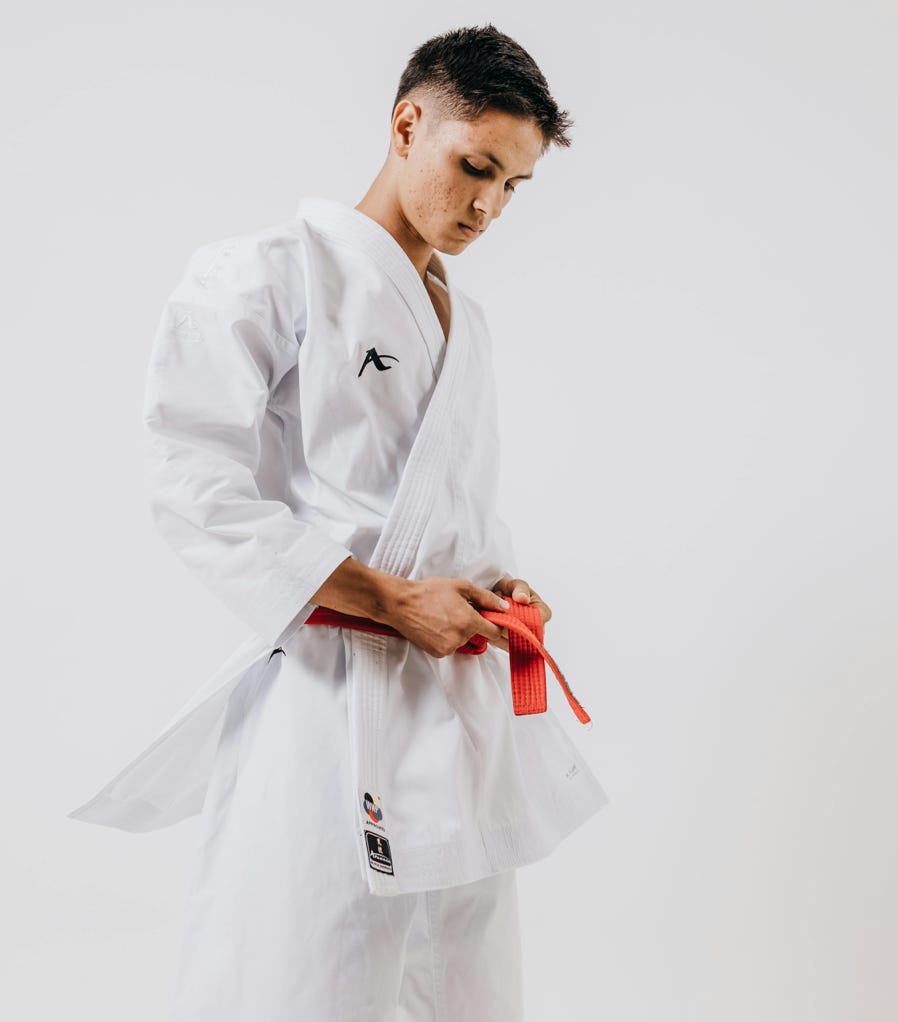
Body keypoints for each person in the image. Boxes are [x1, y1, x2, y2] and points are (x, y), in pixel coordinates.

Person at [68, 23, 609, 1021]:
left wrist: (495, 583)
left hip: (453, 701)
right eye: (475, 166)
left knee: (463, 974)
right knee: (306, 966)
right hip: (326, 689)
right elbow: (194, 479)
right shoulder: (267, 274)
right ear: (408, 123)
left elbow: (445, 507)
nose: (488, 204)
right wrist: (388, 597)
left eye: (513, 185)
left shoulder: (466, 323)